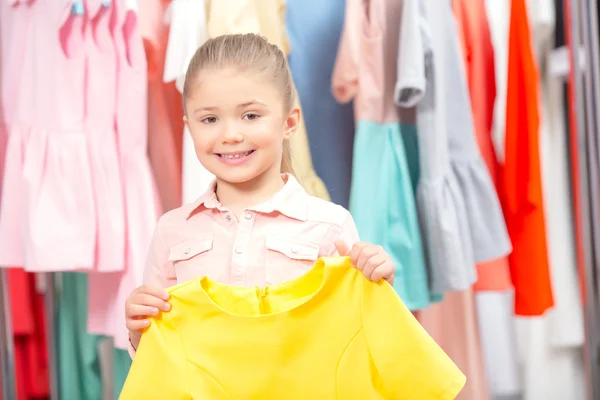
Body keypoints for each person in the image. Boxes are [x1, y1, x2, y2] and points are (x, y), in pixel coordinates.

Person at [125, 33, 395, 353]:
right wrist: (139, 328)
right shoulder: (172, 231)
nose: (230, 135)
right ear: (189, 127)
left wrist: (376, 285)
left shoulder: (330, 226)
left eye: (251, 115)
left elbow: (358, 343)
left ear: (289, 123)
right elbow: (158, 358)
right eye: (210, 119)